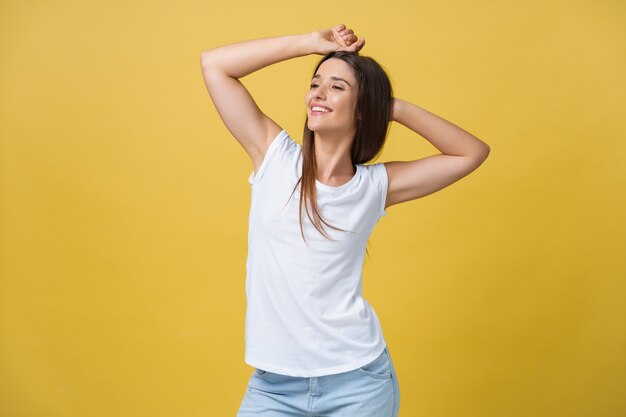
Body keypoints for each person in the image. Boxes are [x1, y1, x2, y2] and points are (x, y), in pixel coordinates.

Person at [200, 23, 490, 417]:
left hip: (358, 383)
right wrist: (310, 44)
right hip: (274, 387)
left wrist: (393, 107)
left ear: (363, 109)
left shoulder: (375, 187)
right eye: (316, 83)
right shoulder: (274, 158)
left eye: (337, 87)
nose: (319, 93)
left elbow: (470, 153)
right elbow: (214, 65)